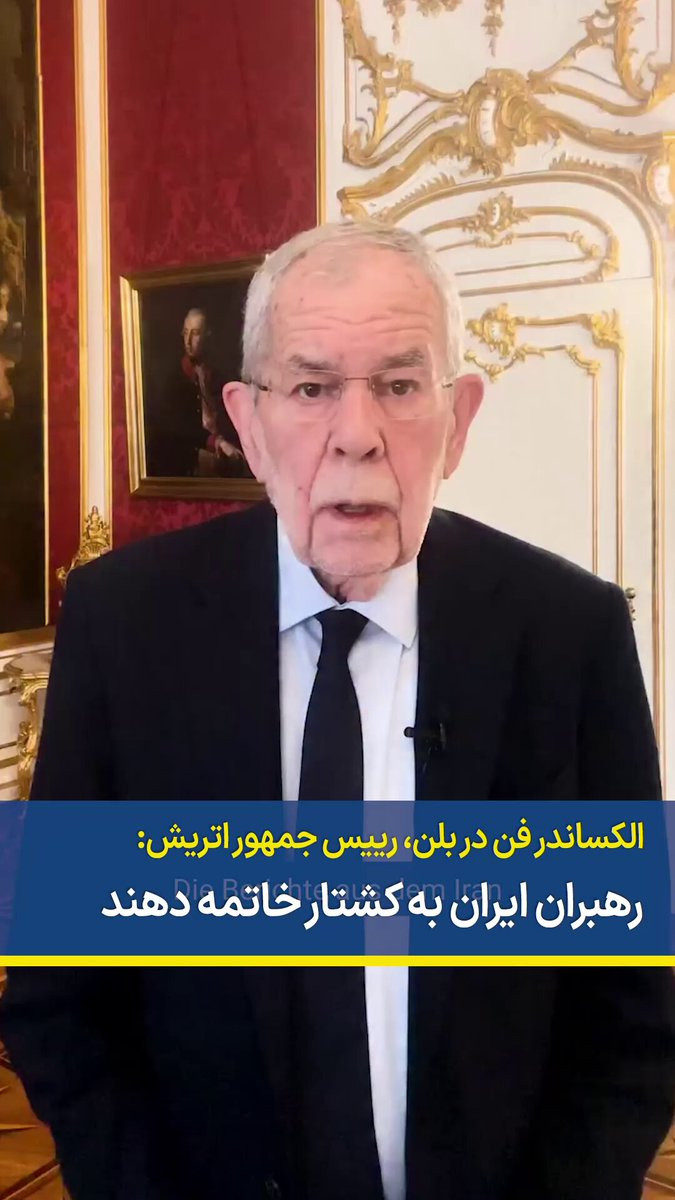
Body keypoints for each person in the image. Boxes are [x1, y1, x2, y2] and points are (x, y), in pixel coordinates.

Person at [2, 221, 674, 1200]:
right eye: (312, 388)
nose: (356, 434)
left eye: (399, 385)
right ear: (247, 422)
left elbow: (631, 1013)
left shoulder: (570, 634)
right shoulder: (123, 625)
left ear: (459, 419)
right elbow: (59, 992)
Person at [144, 305, 250, 478]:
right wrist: (217, 442)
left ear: (207, 335)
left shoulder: (218, 375)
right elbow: (180, 430)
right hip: (188, 458)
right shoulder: (174, 379)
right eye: (185, 333)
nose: (188, 340)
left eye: (195, 333)